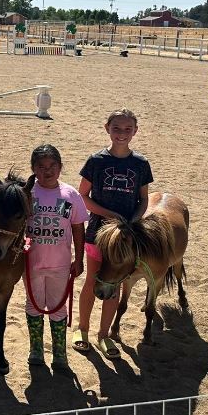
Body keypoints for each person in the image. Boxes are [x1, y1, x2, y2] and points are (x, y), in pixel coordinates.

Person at [73, 108, 153, 360]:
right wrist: (108, 213)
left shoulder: (140, 163)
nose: (122, 133)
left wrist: (134, 219)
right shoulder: (96, 161)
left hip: (127, 236)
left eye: (127, 129)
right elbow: (82, 196)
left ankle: (104, 334)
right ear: (107, 128)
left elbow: (143, 199)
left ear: (135, 131)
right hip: (98, 233)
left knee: (115, 284)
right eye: (116, 128)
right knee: (93, 281)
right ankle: (82, 329)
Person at [23, 145, 87, 371]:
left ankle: (59, 353)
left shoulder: (71, 195)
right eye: (41, 167)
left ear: (60, 167)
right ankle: (36, 349)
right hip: (31, 263)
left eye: (52, 166)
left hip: (60, 264)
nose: (47, 171)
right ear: (33, 169)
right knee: (34, 304)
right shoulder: (27, 194)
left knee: (58, 307)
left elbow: (78, 229)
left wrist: (78, 259)